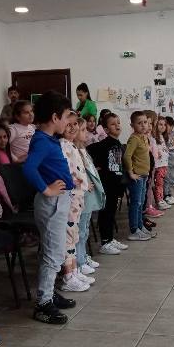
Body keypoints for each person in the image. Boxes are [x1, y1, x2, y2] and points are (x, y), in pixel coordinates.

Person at [23, 91, 76, 325]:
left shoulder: (48, 139)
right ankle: (43, 304)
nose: (67, 123)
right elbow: (29, 168)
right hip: (52, 203)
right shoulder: (43, 141)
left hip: (58, 202)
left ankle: (49, 292)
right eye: (65, 118)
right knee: (53, 254)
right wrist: (46, 190)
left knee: (53, 251)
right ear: (55, 118)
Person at [58, 113, 90, 292]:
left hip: (78, 196)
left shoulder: (72, 145)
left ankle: (75, 270)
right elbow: (66, 170)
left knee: (74, 234)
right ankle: (68, 276)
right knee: (69, 236)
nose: (72, 128)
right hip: (70, 196)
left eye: (75, 124)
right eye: (68, 124)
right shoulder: (62, 145)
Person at [88, 113, 128, 255]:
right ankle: (105, 242)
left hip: (116, 184)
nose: (117, 125)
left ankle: (110, 239)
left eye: (118, 122)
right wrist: (95, 167)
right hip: (107, 185)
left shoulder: (117, 143)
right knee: (106, 213)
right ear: (105, 129)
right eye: (113, 124)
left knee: (112, 212)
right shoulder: (104, 144)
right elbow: (88, 150)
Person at [75, 117, 104, 277]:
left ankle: (83, 257)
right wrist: (86, 182)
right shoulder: (74, 151)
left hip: (88, 195)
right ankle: (79, 261)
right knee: (79, 231)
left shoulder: (83, 150)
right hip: (82, 195)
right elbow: (78, 173)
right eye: (83, 130)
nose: (86, 133)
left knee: (85, 229)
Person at [123, 111, 152, 241]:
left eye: (145, 122)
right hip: (137, 177)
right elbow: (127, 156)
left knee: (141, 203)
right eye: (139, 123)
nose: (143, 125)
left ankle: (140, 226)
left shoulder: (143, 137)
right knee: (136, 203)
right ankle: (134, 230)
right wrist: (131, 172)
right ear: (132, 125)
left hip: (144, 176)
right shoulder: (134, 138)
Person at [153, 115, 170, 210]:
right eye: (160, 124)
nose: (163, 126)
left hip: (164, 165)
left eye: (164, 125)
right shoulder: (154, 137)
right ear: (156, 125)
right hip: (158, 165)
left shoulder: (162, 137)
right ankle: (159, 201)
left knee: (161, 184)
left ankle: (161, 199)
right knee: (159, 184)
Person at [163, 116, 174, 205]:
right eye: (163, 125)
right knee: (166, 179)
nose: (164, 127)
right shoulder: (162, 135)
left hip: (172, 161)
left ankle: (170, 195)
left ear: (172, 126)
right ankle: (165, 195)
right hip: (164, 161)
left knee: (171, 178)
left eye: (166, 125)